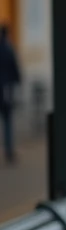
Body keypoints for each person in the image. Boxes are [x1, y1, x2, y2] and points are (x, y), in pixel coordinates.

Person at [0, 25, 19, 163]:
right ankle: (9, 151)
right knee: (7, 122)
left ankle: (9, 151)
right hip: (6, 91)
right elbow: (15, 68)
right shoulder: (8, 49)